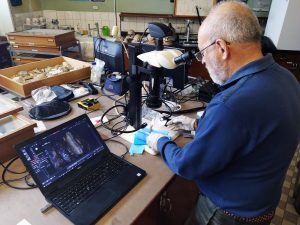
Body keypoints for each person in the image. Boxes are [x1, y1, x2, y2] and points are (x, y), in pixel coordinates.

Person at [146, 1, 300, 225]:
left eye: (202, 53)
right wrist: (195, 125)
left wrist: (159, 141)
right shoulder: (286, 78)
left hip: (227, 214)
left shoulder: (232, 104)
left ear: (221, 47)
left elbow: (187, 165)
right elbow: (252, 133)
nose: (203, 61)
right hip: (263, 205)